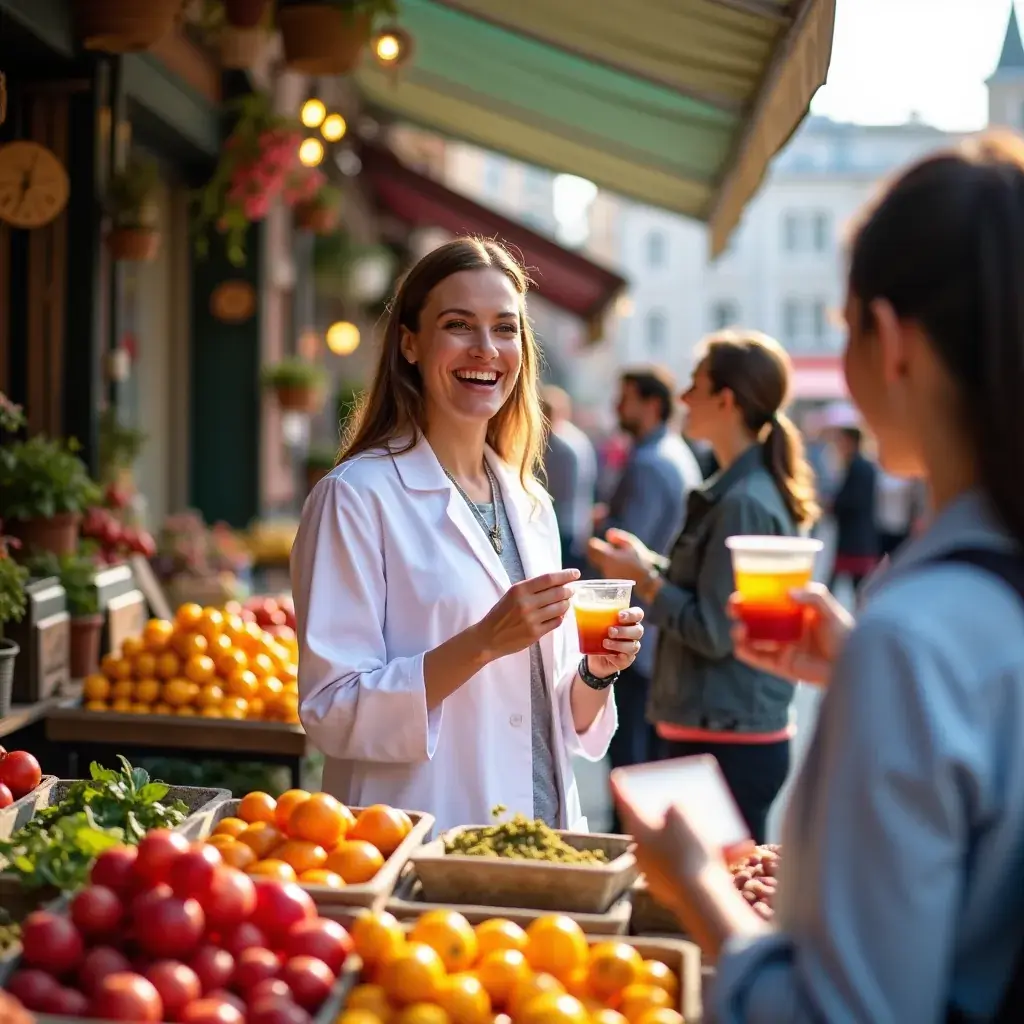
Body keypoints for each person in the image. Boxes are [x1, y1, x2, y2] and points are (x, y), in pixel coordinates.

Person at [613, 132, 1024, 1022]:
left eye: (844, 323)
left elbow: (841, 1011)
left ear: (887, 337)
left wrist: (697, 888)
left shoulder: (920, 638)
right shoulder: (943, 629)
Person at [291, 237, 645, 833]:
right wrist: (481, 642)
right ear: (410, 343)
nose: (486, 349)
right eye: (459, 325)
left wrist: (597, 671)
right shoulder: (356, 497)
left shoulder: (530, 502)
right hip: (422, 837)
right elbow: (331, 709)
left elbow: (545, 713)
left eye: (505, 329)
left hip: (542, 838)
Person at [590, 332, 818, 844]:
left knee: (718, 901)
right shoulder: (737, 489)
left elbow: (714, 629)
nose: (685, 399)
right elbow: (714, 592)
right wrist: (646, 563)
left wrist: (645, 579)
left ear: (726, 399)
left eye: (695, 385)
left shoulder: (742, 500)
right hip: (722, 726)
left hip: (725, 732)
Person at [594, 368, 703, 782]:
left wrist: (600, 532)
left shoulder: (650, 462)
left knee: (630, 756)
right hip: (655, 624)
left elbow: (623, 548)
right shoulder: (673, 453)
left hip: (636, 627)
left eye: (626, 398)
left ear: (651, 405)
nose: (617, 407)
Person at [540, 385, 598, 571]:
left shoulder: (558, 445)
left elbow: (551, 489)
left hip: (562, 525)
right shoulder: (577, 438)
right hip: (579, 521)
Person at [828, 425, 879, 594]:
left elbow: (853, 501)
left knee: (858, 587)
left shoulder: (858, 466)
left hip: (855, 537)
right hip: (857, 536)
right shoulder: (859, 465)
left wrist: (833, 505)